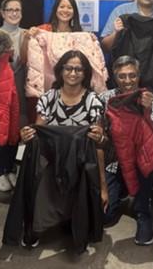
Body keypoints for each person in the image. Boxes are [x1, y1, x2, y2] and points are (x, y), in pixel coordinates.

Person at [19, 50, 108, 246]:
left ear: (85, 73)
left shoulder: (94, 102)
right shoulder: (48, 99)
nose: (73, 73)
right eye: (69, 68)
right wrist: (27, 136)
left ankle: (72, 221)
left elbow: (99, 146)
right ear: (61, 71)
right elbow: (38, 134)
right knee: (39, 166)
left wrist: (103, 187)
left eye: (79, 69)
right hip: (52, 162)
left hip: (80, 166)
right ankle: (38, 224)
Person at [100, 55, 153, 246]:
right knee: (106, 217)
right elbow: (101, 135)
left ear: (139, 75)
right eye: (122, 76)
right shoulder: (105, 98)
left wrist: (146, 112)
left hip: (138, 162)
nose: (128, 81)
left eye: (132, 76)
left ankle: (143, 211)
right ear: (114, 77)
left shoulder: (151, 100)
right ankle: (121, 191)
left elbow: (148, 140)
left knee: (146, 163)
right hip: (113, 160)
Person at [0, 0, 27, 192]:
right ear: (3, 13)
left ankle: (11, 167)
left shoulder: (27, 34)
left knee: (16, 130)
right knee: (2, 131)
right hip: (1, 91)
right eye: (10, 10)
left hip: (21, 89)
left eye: (18, 10)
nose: (14, 13)